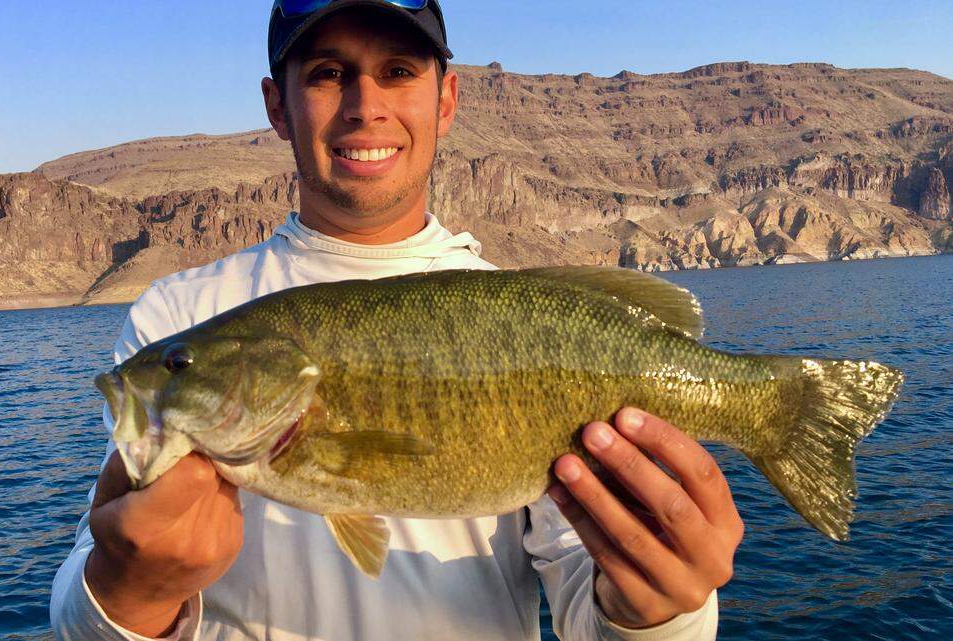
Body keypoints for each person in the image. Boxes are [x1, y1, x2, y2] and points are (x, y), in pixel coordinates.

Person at [50, 1, 743, 639]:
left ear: (446, 98)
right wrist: (130, 590)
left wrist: (662, 607)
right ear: (278, 106)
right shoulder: (180, 314)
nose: (365, 105)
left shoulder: (513, 308)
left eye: (399, 71)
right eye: (328, 73)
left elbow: (590, 609)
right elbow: (80, 607)